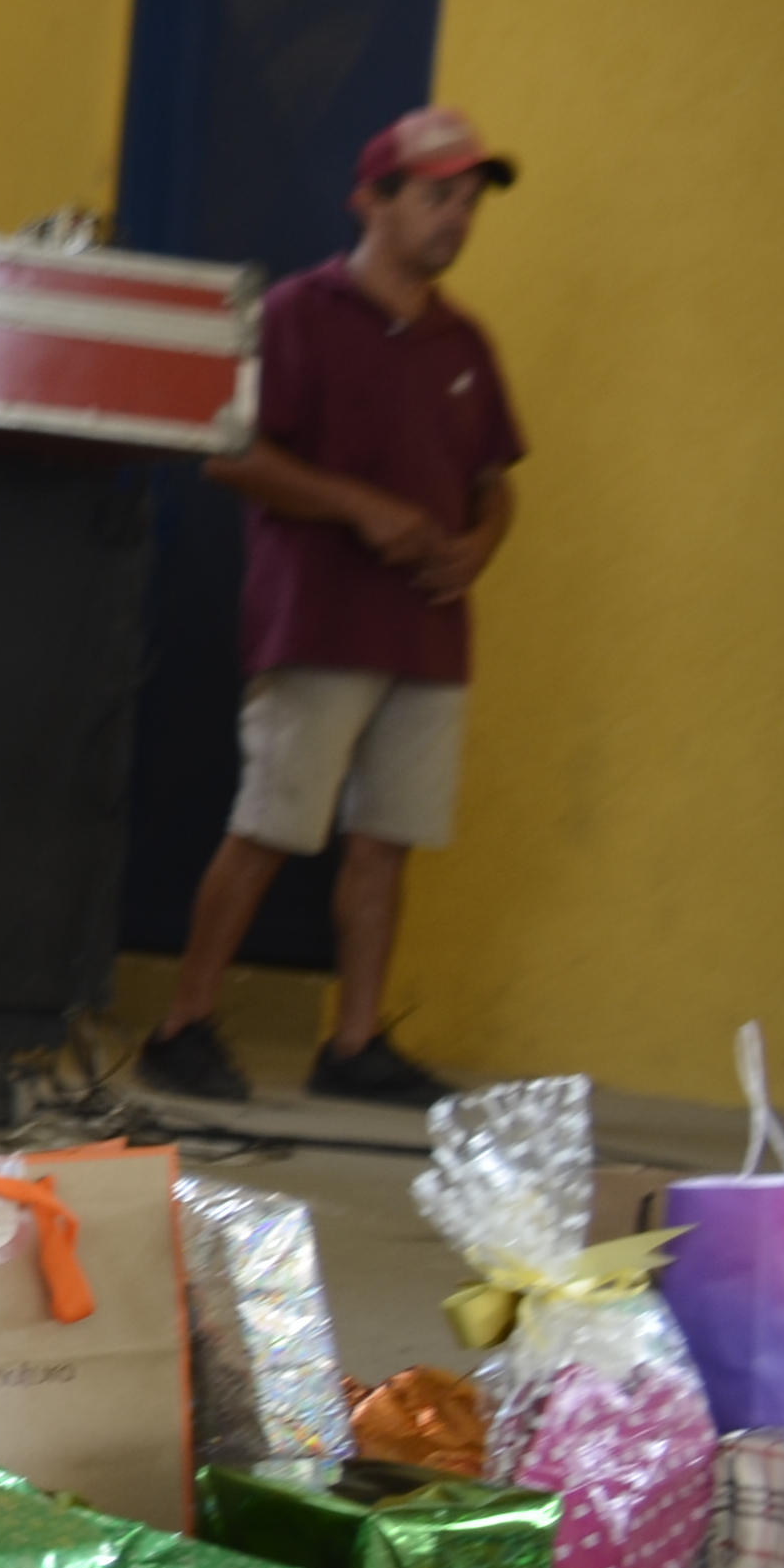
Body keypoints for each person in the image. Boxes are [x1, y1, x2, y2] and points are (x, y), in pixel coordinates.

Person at [136, 105, 524, 1112]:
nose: (455, 218)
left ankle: (352, 1042)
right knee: (268, 822)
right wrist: (359, 509)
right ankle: (183, 1022)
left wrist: (477, 546)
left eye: (468, 201)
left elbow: (495, 478)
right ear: (372, 200)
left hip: (427, 631)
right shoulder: (297, 314)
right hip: (317, 620)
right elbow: (228, 454)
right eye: (436, 196)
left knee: (385, 838)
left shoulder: (462, 339)